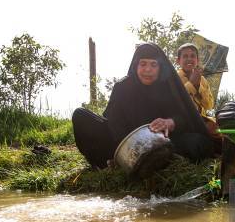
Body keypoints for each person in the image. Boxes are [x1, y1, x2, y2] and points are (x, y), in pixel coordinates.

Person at [72, 43, 213, 169]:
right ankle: (110, 164)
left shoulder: (168, 88)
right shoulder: (122, 87)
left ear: (160, 68)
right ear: (136, 66)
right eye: (143, 64)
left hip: (161, 142)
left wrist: (170, 122)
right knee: (80, 115)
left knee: (198, 142)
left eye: (153, 65)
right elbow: (113, 121)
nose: (148, 70)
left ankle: (162, 159)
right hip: (122, 144)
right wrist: (129, 148)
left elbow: (184, 118)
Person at [176, 43, 214, 117]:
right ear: (178, 61)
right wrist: (191, 84)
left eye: (193, 56)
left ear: (197, 60)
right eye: (185, 56)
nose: (189, 59)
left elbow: (209, 105)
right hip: (181, 119)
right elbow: (175, 101)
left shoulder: (202, 80)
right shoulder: (174, 78)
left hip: (201, 120)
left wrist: (198, 86)